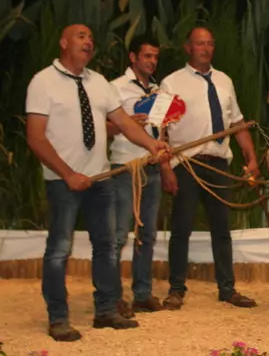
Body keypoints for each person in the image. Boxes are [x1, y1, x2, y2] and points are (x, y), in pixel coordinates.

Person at [25, 24, 171, 342]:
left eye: (92, 37)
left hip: (101, 178)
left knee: (106, 247)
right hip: (62, 181)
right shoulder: (43, 82)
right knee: (59, 250)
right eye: (81, 36)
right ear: (63, 42)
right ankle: (58, 318)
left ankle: (106, 310)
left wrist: (151, 145)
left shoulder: (99, 82)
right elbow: (35, 137)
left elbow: (123, 124)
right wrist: (67, 174)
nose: (89, 41)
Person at [158, 26, 260, 310]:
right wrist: (166, 168)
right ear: (188, 48)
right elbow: (159, 130)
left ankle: (227, 289)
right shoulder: (171, 83)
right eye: (200, 44)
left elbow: (237, 123)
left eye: (210, 44)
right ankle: (176, 289)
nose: (206, 48)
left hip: (218, 163)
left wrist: (251, 158)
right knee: (181, 228)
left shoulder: (225, 81)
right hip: (186, 165)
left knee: (222, 228)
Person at [106, 35, 168, 317]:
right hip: (124, 168)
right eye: (147, 56)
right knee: (119, 235)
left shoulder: (158, 90)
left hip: (152, 166)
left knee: (148, 234)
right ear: (133, 58)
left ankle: (142, 294)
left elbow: (162, 128)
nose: (152, 61)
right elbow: (100, 127)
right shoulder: (115, 88)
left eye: (155, 57)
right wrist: (125, 124)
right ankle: (112, 298)